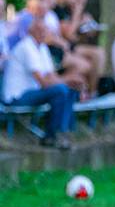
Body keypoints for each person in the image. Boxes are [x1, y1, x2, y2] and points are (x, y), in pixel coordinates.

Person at [2, 20, 80, 148]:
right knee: (60, 90)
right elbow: (43, 82)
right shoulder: (26, 47)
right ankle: (52, 135)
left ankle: (64, 132)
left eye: (45, 30)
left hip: (32, 92)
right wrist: (67, 80)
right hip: (16, 97)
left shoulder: (42, 47)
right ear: (31, 32)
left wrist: (69, 81)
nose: (44, 33)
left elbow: (51, 76)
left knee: (69, 90)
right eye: (40, 31)